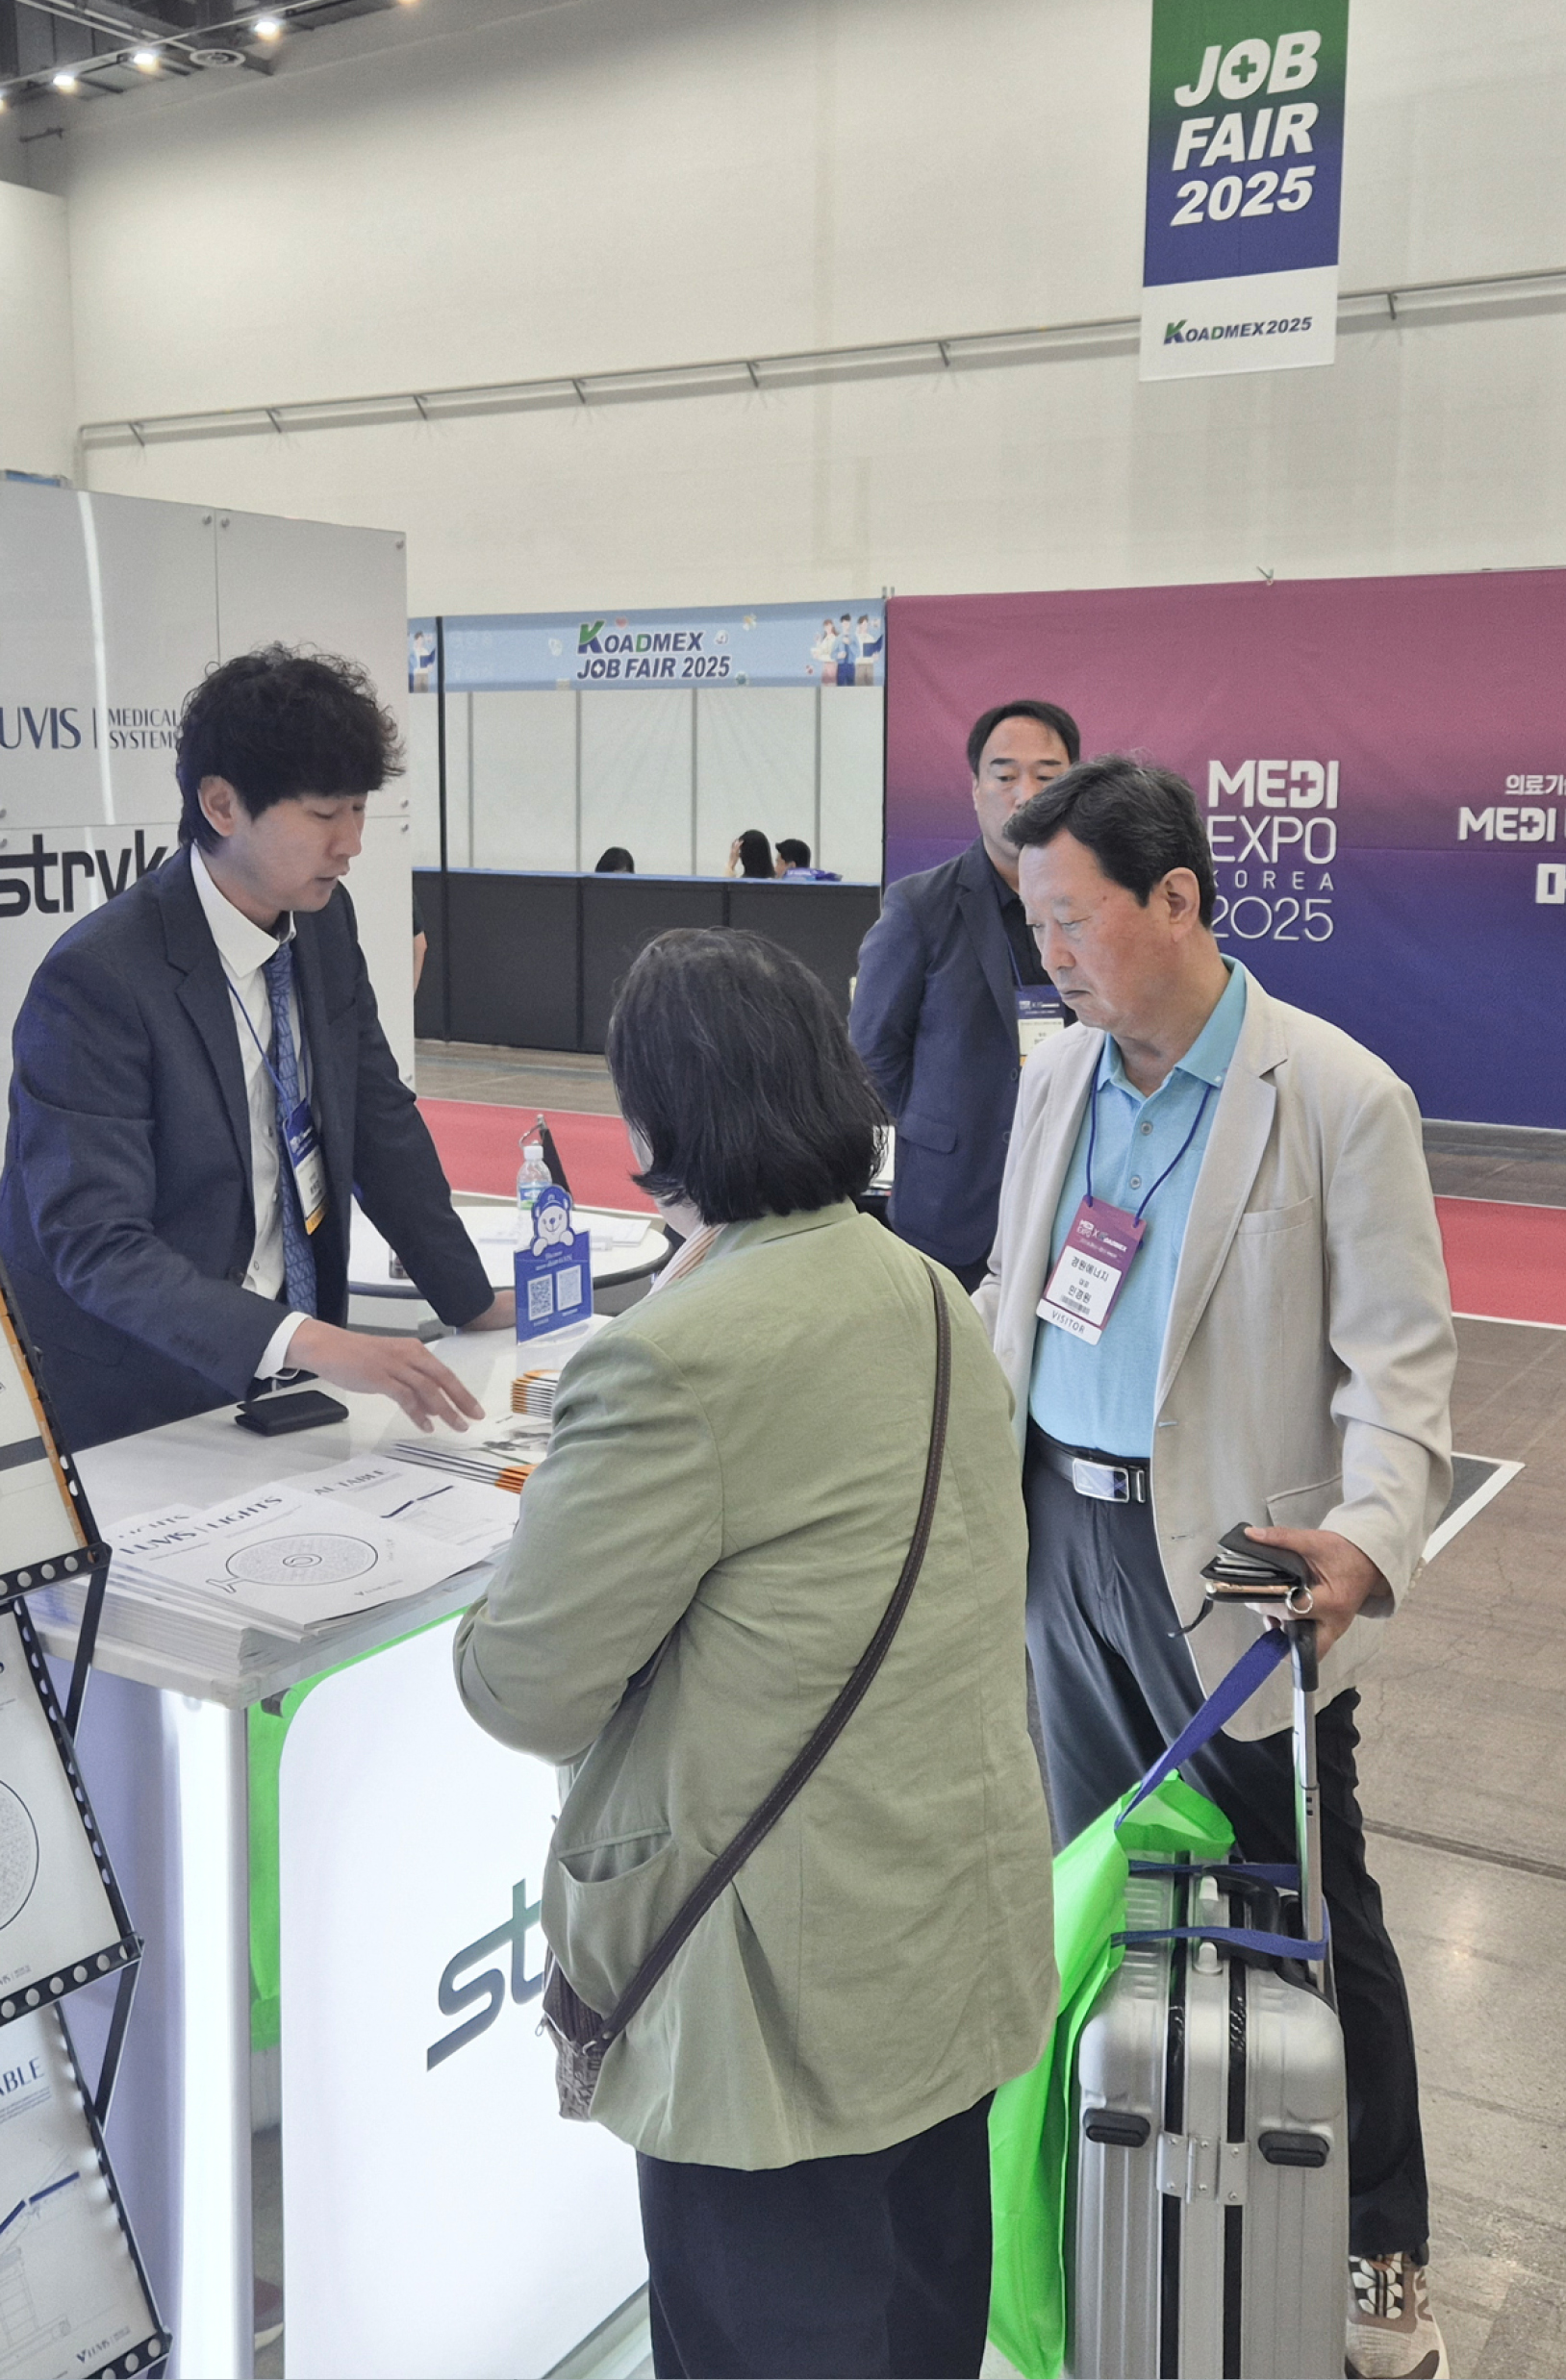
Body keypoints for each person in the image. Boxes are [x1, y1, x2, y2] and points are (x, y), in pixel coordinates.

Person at [455, 930, 1053, 2380]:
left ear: (657, 1125)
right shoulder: (926, 1290)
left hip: (773, 1996)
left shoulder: (668, 1355)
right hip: (943, 1943)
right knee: (919, 2330)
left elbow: (522, 1684)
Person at [976, 756, 1454, 2380]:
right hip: (1062, 1543)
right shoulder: (1055, 1074)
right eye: (1033, 922)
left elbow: (1402, 1367)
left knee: (1305, 1907)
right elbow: (1017, 1286)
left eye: (1072, 918)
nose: (1050, 951)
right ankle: (1136, 2201)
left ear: (1174, 898)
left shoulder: (1336, 1095)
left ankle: (1377, 2244)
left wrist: (1368, 1541)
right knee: (1103, 1883)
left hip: (1241, 1578)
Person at [0, 645, 514, 1451]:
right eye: (323, 814)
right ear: (222, 804)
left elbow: (380, 1120)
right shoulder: (98, 979)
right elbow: (98, 1245)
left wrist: (471, 1302)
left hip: (285, 1378)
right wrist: (311, 1341)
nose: (351, 843)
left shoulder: (324, 923)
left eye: (359, 810)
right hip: (133, 1398)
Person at [849, 699, 1080, 1290]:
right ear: (976, 790)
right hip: (949, 1207)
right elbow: (872, 1054)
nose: (1026, 794)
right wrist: (940, 1122)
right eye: (1005, 776)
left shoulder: (1101, 906)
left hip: (1069, 1202)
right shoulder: (919, 907)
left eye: (1047, 777)